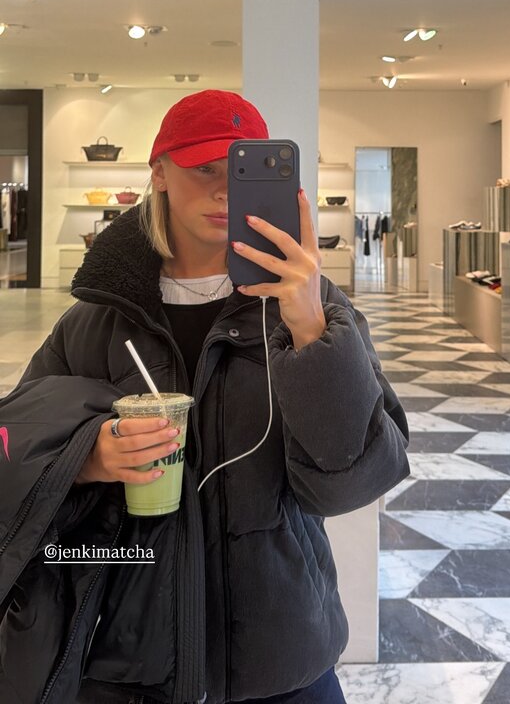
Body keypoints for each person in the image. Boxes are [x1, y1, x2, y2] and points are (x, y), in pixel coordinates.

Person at [0, 90, 410, 704]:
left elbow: (351, 485)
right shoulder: (96, 321)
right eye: (204, 170)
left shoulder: (314, 310)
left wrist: (310, 327)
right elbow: (13, 446)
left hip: (280, 656)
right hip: (124, 660)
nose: (224, 192)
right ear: (160, 173)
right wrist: (88, 455)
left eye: (241, 174)